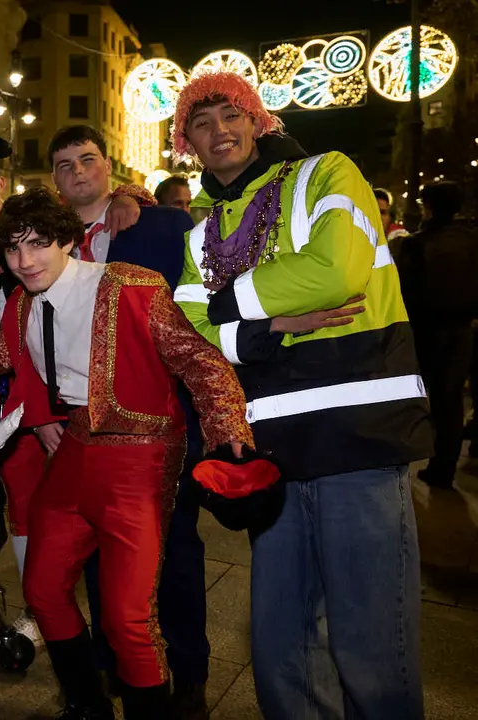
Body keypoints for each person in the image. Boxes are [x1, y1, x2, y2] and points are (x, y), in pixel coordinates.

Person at [0, 187, 254, 718]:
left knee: (127, 615)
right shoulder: (21, 303)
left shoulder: (129, 285)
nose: (25, 260)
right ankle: (88, 705)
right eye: (13, 249)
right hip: (77, 446)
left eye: (37, 244)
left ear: (65, 240)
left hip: (142, 453)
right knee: (41, 587)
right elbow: (0, 357)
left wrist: (226, 428)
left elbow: (200, 360)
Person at [170, 71, 430, 720]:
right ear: (187, 146)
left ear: (258, 121)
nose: (217, 130)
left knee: (370, 650)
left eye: (230, 114)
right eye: (200, 125)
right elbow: (190, 324)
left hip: (357, 442)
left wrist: (233, 307)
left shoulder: (325, 174)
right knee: (279, 653)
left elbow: (335, 270)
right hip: (273, 456)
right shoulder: (198, 236)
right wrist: (273, 325)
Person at [47, 124, 209, 717]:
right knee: (97, 561)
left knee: (176, 558)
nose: (77, 173)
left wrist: (137, 197)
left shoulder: (162, 225)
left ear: (108, 164)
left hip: (160, 428)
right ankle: (117, 669)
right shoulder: (52, 243)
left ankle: (189, 675)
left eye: (87, 160)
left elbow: (200, 311)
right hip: (85, 431)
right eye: (64, 166)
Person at [393, 181, 478, 489]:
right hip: (462, 329)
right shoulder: (471, 240)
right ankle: (444, 466)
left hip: (424, 331)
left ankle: (410, 458)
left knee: (415, 397)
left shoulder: (416, 244)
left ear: (427, 206)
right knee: (450, 400)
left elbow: (404, 291)